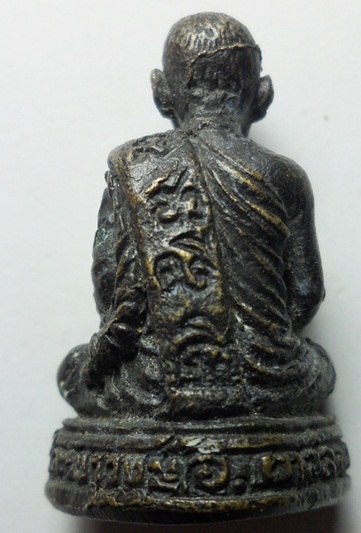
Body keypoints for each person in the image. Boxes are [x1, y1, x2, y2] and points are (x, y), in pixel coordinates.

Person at [58, 12, 335, 418]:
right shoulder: (284, 176)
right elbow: (306, 295)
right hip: (270, 381)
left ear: (160, 91)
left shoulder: (135, 167)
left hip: (154, 386)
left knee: (71, 372)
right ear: (262, 95)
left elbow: (109, 293)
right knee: (322, 367)